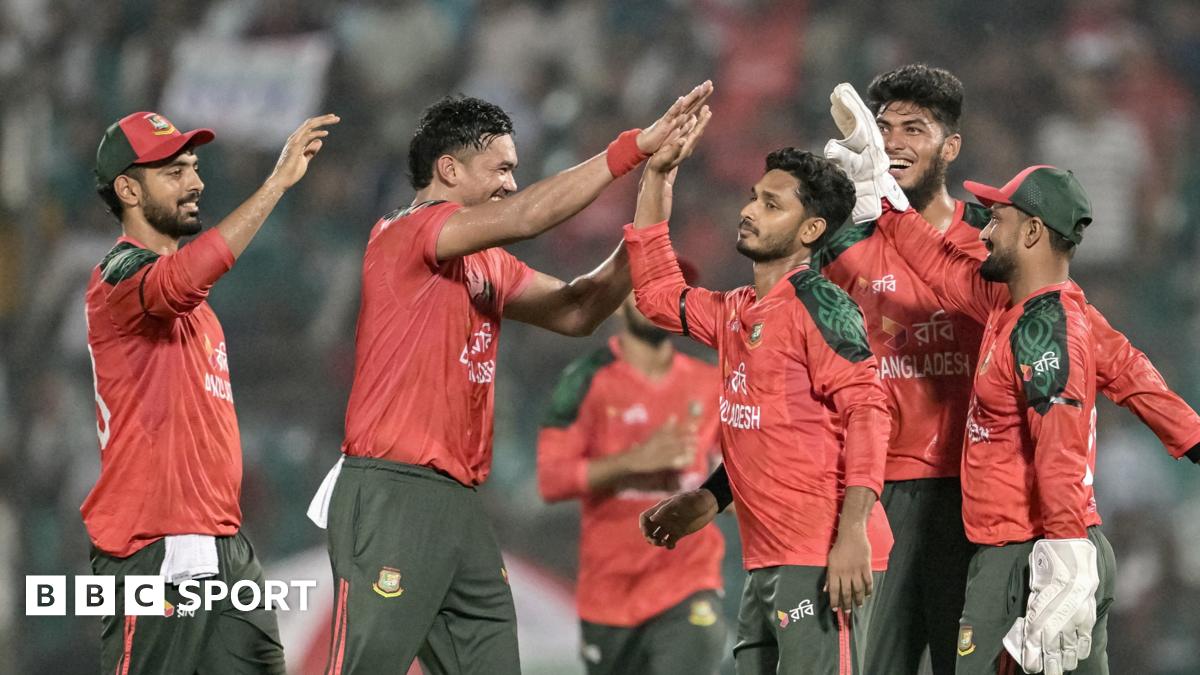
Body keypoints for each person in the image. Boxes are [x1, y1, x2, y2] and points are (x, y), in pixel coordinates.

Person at [308, 82, 713, 675]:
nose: (511, 183)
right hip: (392, 489)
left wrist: (656, 189)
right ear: (448, 168)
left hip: (459, 501)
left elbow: (578, 310)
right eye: (500, 167)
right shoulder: (405, 231)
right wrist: (633, 150)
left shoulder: (484, 262)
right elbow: (527, 216)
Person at [815, 65, 1200, 674]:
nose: (984, 226)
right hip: (1022, 542)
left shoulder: (1045, 328)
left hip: (1032, 549)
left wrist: (1066, 549)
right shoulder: (1011, 304)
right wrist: (884, 200)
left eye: (999, 218)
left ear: (1032, 233)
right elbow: (1133, 373)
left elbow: (1061, 445)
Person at [629, 107, 893, 674]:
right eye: (754, 197)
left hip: (823, 556)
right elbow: (655, 294)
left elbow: (870, 411)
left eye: (772, 205)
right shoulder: (737, 311)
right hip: (767, 559)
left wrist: (852, 538)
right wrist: (656, 177)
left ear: (811, 230)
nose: (748, 210)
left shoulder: (821, 305)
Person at [84, 110, 338, 673]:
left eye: (194, 168)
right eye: (173, 171)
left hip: (224, 542)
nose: (196, 182)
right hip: (156, 544)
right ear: (128, 187)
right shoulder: (117, 275)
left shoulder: (198, 311)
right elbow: (181, 279)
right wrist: (275, 184)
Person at [537, 263, 727, 675]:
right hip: (609, 595)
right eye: (644, 288)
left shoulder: (712, 382)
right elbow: (551, 479)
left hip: (688, 584)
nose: (656, 299)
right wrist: (634, 461)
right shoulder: (584, 380)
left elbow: (736, 478)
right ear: (620, 301)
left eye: (669, 288)